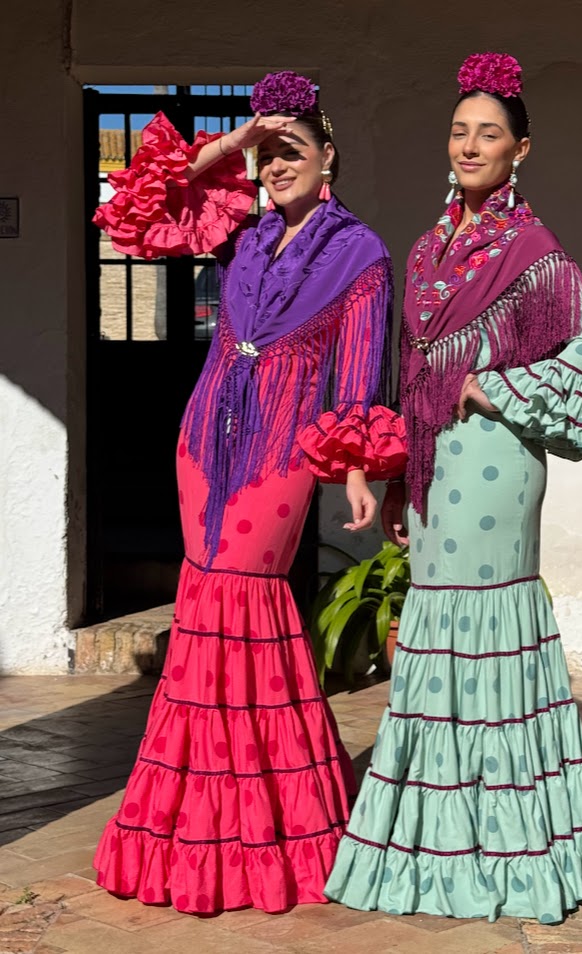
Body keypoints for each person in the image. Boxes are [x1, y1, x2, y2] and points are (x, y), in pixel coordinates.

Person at [324, 52, 582, 923]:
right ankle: (436, 834)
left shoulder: (531, 249)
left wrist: (500, 386)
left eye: (488, 134)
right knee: (435, 628)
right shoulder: (427, 251)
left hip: (498, 464)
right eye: (459, 131)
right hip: (433, 468)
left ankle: (509, 844)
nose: (469, 145)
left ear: (519, 150)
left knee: (488, 627)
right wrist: (397, 480)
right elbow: (408, 378)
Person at [92, 71, 403, 915]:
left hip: (279, 453)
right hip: (202, 444)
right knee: (201, 607)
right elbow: (137, 214)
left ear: (329, 156)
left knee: (247, 599)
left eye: (292, 149)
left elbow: (359, 368)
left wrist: (354, 468)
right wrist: (234, 142)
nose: (276, 166)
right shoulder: (239, 232)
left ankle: (267, 819)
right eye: (268, 155)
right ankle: (191, 811)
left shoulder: (360, 252)